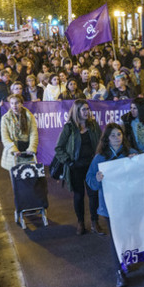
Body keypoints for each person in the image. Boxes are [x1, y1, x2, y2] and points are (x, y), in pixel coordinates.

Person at [85, 124, 137, 287]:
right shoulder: (100, 158)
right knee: (115, 240)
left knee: (128, 236)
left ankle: (126, 260)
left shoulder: (131, 153)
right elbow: (90, 181)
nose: (117, 138)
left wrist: (135, 162)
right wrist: (97, 180)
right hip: (109, 207)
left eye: (119, 134)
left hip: (128, 204)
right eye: (113, 135)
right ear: (107, 138)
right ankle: (119, 272)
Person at [54, 100, 104, 235]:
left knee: (93, 194)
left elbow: (101, 142)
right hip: (76, 167)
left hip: (92, 166)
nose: (87, 112)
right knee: (79, 195)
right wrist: (69, 162)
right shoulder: (69, 127)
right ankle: (80, 222)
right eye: (84, 110)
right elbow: (58, 148)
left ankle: (95, 222)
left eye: (88, 109)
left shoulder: (93, 125)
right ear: (77, 111)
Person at [0, 94, 39, 171]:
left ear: (21, 103)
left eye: (17, 103)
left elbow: (33, 133)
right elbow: (5, 137)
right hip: (13, 153)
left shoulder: (29, 116)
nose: (14, 105)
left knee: (29, 176)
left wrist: (32, 147)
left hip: (27, 151)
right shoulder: (5, 118)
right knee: (16, 178)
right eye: (12, 103)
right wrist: (13, 149)